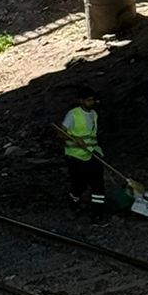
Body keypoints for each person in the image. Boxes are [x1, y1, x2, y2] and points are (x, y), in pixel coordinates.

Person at [62, 85, 105, 216]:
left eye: (92, 100)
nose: (91, 102)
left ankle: (97, 213)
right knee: (79, 184)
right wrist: (75, 138)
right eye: (88, 100)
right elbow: (61, 133)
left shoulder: (94, 114)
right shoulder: (73, 115)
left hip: (92, 153)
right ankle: (73, 201)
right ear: (81, 101)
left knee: (98, 184)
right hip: (76, 157)